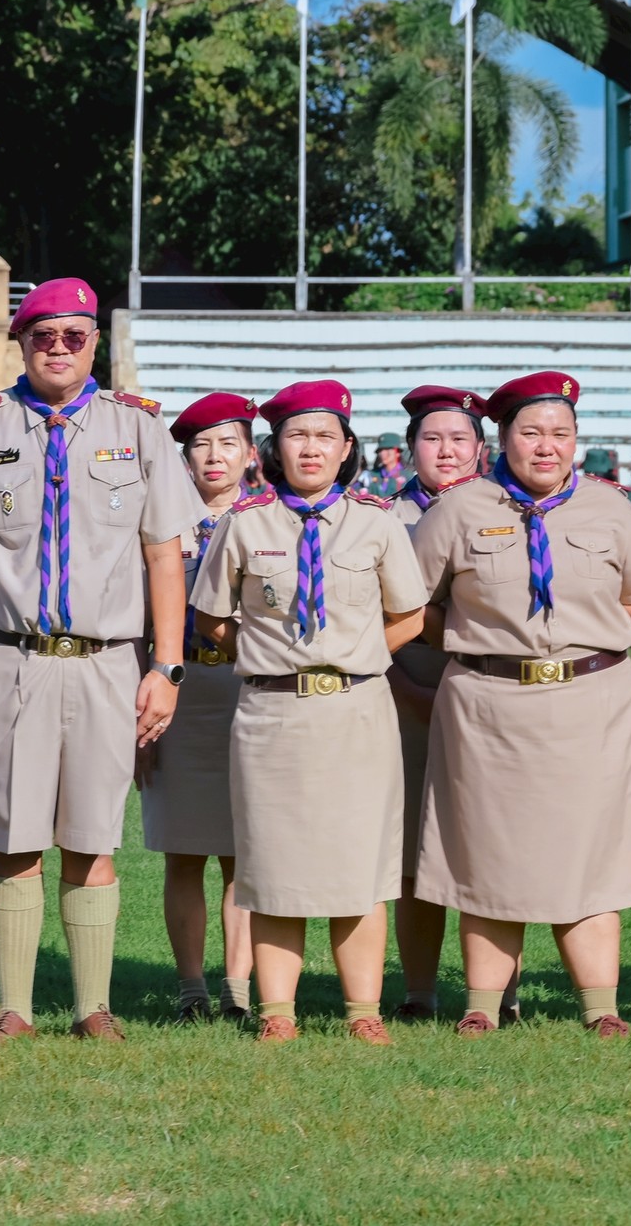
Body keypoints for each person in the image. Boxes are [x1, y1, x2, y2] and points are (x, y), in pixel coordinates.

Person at [0, 277, 198, 1047]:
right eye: (43, 335)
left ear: (95, 342)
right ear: (21, 342)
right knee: (13, 836)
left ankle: (92, 1007)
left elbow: (164, 555)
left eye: (75, 335)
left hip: (109, 661)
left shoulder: (137, 426)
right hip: (10, 658)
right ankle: (14, 1007)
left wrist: (167, 666)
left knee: (93, 835)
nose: (59, 348)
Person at [191, 380, 427, 1045]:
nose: (311, 448)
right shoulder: (246, 523)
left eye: (326, 436)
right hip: (272, 717)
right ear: (276, 448)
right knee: (274, 866)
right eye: (298, 435)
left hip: (356, 713)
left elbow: (409, 615)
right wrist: (265, 657)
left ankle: (363, 1011)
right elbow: (210, 617)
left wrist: (355, 656)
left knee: (361, 866)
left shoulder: (377, 523)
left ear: (347, 448)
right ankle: (278, 1013)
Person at [412, 371, 631, 1040]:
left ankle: (600, 1007)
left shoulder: (612, 510)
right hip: (487, 709)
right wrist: (481, 643)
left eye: (561, 434)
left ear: (577, 440)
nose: (547, 446)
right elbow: (414, 603)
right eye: (532, 432)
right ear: (503, 438)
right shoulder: (458, 509)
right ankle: (482, 1005)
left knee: (590, 852)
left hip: (592, 707)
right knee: (487, 851)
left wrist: (584, 641)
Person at [141, 392, 255, 1022]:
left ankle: (237, 988)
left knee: (244, 853)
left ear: (250, 454)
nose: (215, 456)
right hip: (176, 693)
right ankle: (191, 988)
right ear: (184, 458)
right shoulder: (158, 521)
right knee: (183, 851)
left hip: (248, 691)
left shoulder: (271, 520)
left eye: (228, 443)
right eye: (201, 445)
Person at [383, 385, 489, 1023]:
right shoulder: (380, 517)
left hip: (491, 696)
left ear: (481, 449)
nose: (446, 451)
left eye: (459, 439)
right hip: (403, 691)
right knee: (408, 853)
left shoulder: (508, 513)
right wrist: (402, 686)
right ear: (409, 449)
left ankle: (494, 994)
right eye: (432, 439)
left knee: (488, 845)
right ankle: (419, 991)